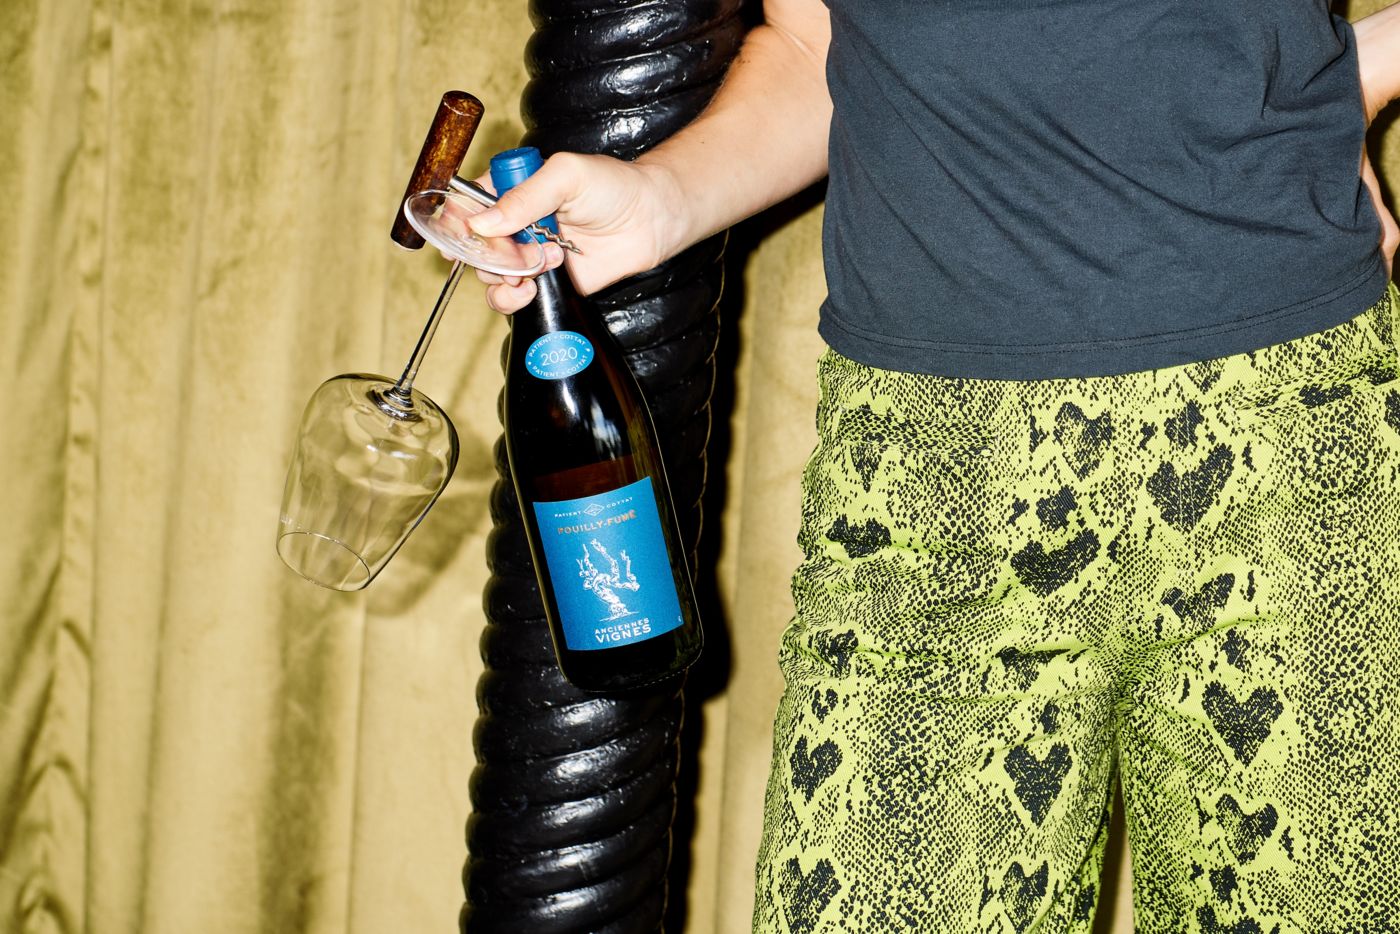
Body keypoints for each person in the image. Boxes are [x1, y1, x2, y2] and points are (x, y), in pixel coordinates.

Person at [468, 0, 1400, 929]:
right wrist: (663, 201)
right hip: (928, 474)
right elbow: (816, 45)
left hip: (1288, 441)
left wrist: (1323, 78)